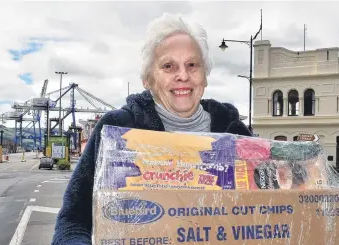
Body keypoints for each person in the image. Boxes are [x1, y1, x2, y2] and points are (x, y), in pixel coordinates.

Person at [51, 13, 252, 245]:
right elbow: (74, 220)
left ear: (204, 76)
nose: (183, 76)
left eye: (192, 65)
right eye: (168, 66)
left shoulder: (234, 132)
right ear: (148, 79)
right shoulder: (118, 129)